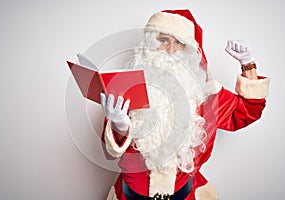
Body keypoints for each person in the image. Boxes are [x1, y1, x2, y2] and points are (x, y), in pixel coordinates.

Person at [101, 9, 270, 200]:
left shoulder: (207, 93)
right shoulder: (127, 87)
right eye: (164, 40)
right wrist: (119, 126)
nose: (171, 50)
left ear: (189, 50)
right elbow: (110, 152)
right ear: (150, 44)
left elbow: (247, 112)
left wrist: (248, 64)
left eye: (179, 43)